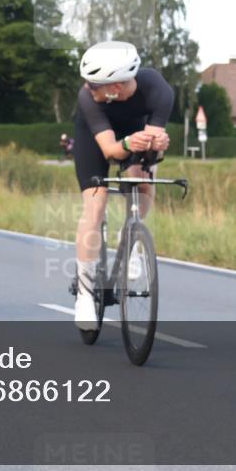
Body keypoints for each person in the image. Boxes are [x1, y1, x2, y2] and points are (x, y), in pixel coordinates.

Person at [71, 41, 173, 329]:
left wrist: (159, 146)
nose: (87, 87)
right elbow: (111, 152)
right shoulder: (88, 98)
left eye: (93, 85)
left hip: (135, 129)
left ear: (114, 87)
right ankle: (85, 295)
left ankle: (132, 238)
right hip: (98, 139)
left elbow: (153, 151)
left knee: (140, 179)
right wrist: (128, 143)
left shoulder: (157, 89)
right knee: (96, 203)